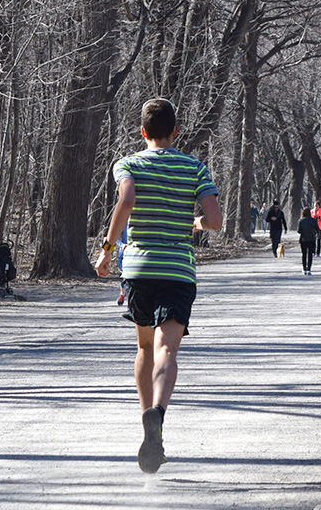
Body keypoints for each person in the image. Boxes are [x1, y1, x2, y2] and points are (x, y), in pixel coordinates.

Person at [94, 98, 222, 474]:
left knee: (145, 346)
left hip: (138, 269)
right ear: (176, 131)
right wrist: (194, 224)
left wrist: (105, 251)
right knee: (168, 349)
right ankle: (158, 415)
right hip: (178, 271)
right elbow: (214, 220)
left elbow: (127, 200)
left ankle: (146, 421)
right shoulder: (194, 167)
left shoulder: (128, 163)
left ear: (142, 131)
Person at [297, 207, 318, 275]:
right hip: (311, 239)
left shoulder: (301, 221)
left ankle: (304, 268)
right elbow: (317, 229)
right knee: (310, 254)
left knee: (304, 254)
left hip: (303, 239)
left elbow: (299, 231)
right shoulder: (314, 220)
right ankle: (309, 268)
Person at [116, 225, 128, 305]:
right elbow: (113, 237)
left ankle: (130, 303)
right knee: (125, 278)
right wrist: (122, 245)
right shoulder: (124, 220)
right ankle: (123, 293)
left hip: (137, 255)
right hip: (123, 255)